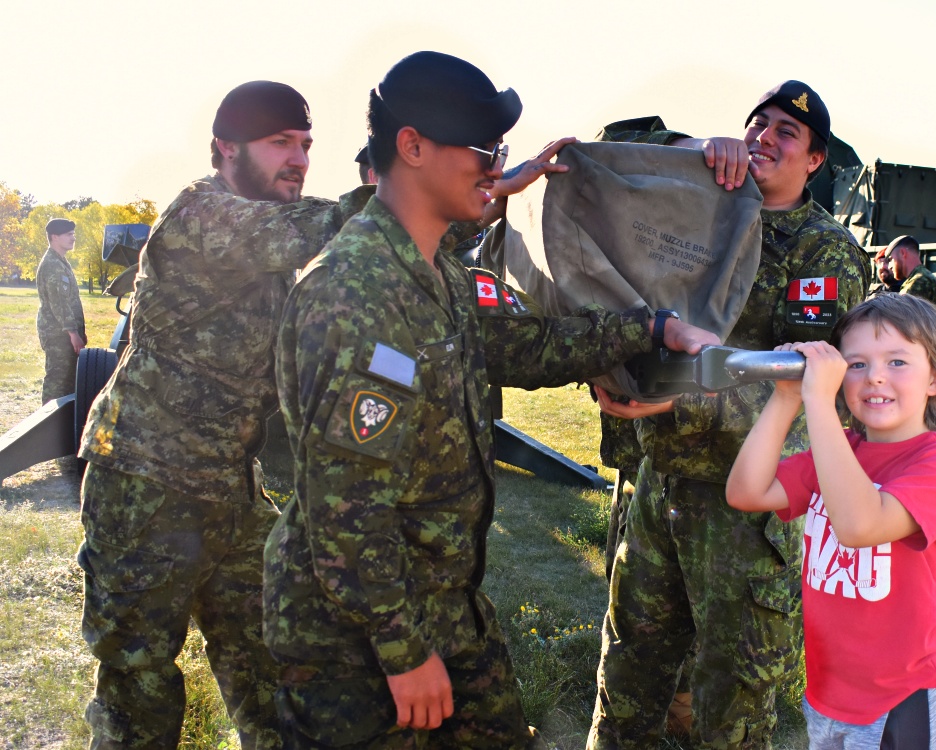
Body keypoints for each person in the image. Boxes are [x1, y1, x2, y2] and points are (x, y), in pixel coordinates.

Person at [261, 50, 720, 749]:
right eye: (483, 149)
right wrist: (403, 652)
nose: (496, 168)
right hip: (356, 641)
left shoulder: (435, 272)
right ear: (411, 147)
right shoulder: (351, 294)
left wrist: (649, 328)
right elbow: (342, 506)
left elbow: (525, 348)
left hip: (445, 606)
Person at [75, 80, 376, 749]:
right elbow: (329, 226)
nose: (298, 159)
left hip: (229, 491)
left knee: (274, 671)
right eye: (279, 144)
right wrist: (418, 192)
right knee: (140, 692)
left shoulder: (268, 250)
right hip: (145, 485)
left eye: (304, 145)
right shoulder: (201, 217)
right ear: (225, 151)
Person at [588, 81, 872, 750]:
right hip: (662, 482)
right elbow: (612, 146)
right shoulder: (701, 209)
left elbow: (802, 376)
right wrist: (691, 149)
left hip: (744, 504)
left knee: (731, 709)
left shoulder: (823, 251)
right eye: (757, 124)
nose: (765, 138)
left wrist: (676, 393)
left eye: (786, 134)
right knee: (627, 675)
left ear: (814, 162)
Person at [726, 293, 936, 749]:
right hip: (828, 694)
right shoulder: (839, 451)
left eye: (897, 361)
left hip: (902, 697)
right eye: (855, 364)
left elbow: (859, 526)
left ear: (935, 378)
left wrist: (818, 401)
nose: (875, 375)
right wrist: (786, 399)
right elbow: (746, 491)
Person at [36, 217, 86, 403]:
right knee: (57, 382)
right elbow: (59, 302)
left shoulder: (60, 261)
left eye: (73, 234)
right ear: (54, 237)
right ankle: (48, 424)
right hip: (59, 334)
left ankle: (61, 424)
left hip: (64, 334)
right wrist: (72, 332)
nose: (73, 238)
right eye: (68, 234)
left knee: (67, 383)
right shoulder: (52, 265)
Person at [887, 234, 936, 308]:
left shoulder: (918, 282)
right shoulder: (922, 277)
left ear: (903, 253)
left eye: (891, 259)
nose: (889, 266)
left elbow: (902, 316)